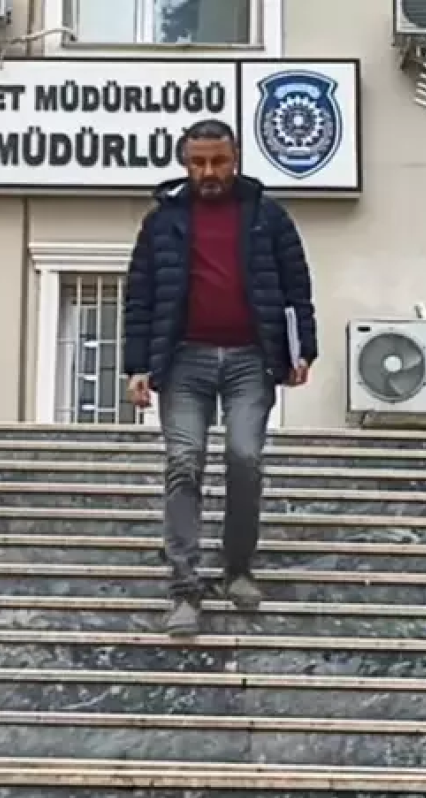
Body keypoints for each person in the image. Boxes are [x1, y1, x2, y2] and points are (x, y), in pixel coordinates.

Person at [121, 118, 317, 638]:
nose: (208, 172)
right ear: (185, 163)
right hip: (184, 361)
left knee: (244, 457)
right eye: (198, 162)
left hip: (251, 360)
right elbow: (140, 297)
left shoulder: (268, 218)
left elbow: (297, 288)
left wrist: (301, 351)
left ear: (235, 160)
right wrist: (137, 365)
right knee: (183, 463)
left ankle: (238, 569)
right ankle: (185, 587)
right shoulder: (161, 222)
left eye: (218, 161)